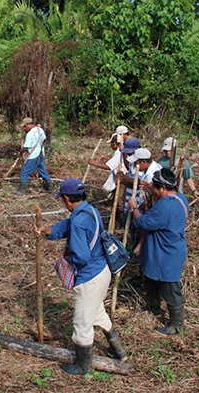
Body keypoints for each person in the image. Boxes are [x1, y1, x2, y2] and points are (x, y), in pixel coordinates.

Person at [34, 178, 127, 376]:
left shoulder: (77, 220)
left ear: (67, 199)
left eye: (62, 200)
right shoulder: (89, 210)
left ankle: (84, 367)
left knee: (82, 324)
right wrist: (49, 230)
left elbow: (82, 255)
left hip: (89, 278)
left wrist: (68, 255)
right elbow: (67, 225)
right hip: (103, 272)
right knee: (98, 313)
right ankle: (118, 351)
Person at [127, 168, 189, 335]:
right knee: (152, 279)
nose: (151, 189)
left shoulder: (166, 207)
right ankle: (153, 307)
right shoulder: (179, 197)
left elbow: (144, 223)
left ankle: (177, 325)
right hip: (161, 250)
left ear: (162, 189)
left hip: (166, 254)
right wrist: (152, 192)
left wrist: (134, 208)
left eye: (154, 187)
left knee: (170, 288)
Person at [14, 117, 53, 196]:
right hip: (40, 154)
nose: (24, 128)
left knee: (24, 173)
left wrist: (20, 153)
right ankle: (50, 188)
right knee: (42, 170)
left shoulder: (30, 134)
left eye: (25, 126)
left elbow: (26, 147)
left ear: (29, 124)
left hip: (33, 156)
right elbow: (45, 140)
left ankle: (21, 191)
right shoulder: (40, 130)